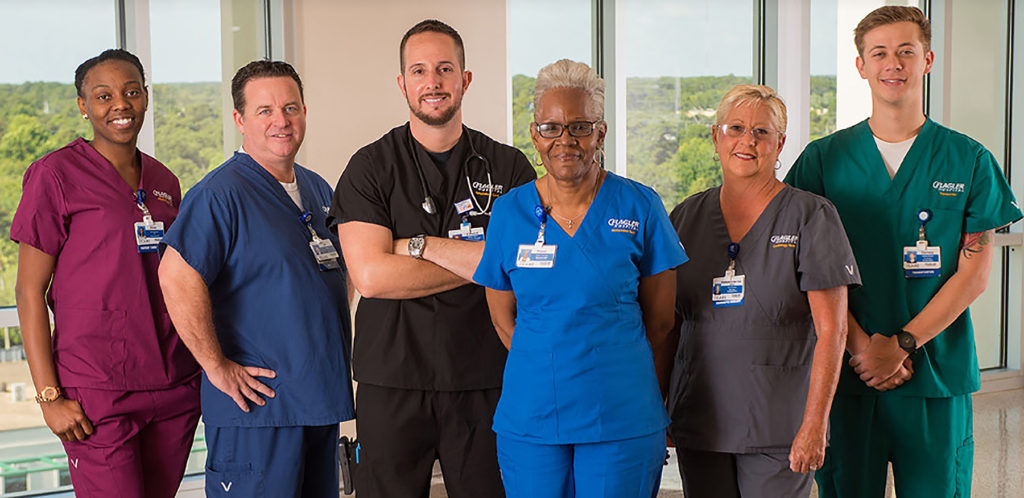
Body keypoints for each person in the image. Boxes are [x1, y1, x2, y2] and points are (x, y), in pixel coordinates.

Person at [786, 6, 1023, 497]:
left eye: (905, 51)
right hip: (849, 378)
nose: (892, 63)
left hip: (936, 374)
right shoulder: (823, 161)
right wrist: (862, 350)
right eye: (879, 53)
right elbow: (805, 271)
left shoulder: (969, 159)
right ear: (861, 66)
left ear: (927, 59)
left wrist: (903, 344)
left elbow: (973, 275)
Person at [330, 19, 535, 497]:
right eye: (419, 71)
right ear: (403, 84)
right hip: (393, 380)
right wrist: (481, 261)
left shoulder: (508, 167)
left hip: (485, 377)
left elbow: (522, 265)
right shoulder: (370, 167)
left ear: (465, 79)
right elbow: (372, 276)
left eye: (445, 69)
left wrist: (417, 245)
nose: (433, 82)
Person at [472, 59, 685, 498]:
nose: (565, 140)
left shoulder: (639, 206)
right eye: (551, 128)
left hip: (621, 412)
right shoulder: (510, 213)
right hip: (532, 415)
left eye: (580, 127)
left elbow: (662, 322)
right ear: (535, 134)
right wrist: (551, 355)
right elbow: (501, 317)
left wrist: (601, 358)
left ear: (600, 134)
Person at [158, 60, 354, 498]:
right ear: (239, 120)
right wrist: (216, 367)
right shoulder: (219, 194)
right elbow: (175, 276)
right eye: (265, 110)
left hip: (316, 399)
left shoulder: (317, 188)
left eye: (290, 107)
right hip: (259, 411)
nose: (280, 121)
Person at [11, 49, 200, 498]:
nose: (120, 104)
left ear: (146, 99)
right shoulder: (54, 176)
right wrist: (49, 397)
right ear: (83, 106)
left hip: (174, 384)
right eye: (103, 95)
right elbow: (28, 291)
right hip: (97, 391)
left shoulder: (164, 182)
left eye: (131, 92)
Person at [667, 84, 859, 498]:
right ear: (716, 137)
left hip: (781, 427)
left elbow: (834, 332)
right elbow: (669, 322)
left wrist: (815, 424)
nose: (747, 141)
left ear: (780, 144)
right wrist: (663, 408)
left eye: (762, 132)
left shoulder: (812, 215)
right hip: (701, 419)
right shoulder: (685, 216)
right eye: (736, 128)